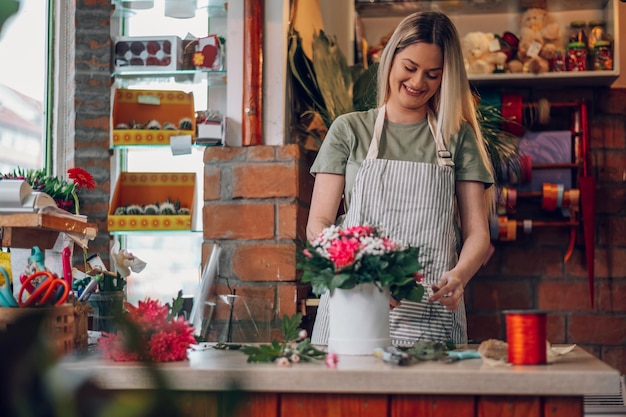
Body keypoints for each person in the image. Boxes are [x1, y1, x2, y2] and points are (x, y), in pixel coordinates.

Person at [307, 11, 495, 346]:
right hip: (354, 305)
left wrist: (460, 275)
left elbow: (478, 233)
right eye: (410, 68)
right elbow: (319, 222)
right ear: (389, 58)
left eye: (432, 74)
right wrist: (362, 277)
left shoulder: (456, 137)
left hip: (432, 313)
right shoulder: (349, 130)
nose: (418, 82)